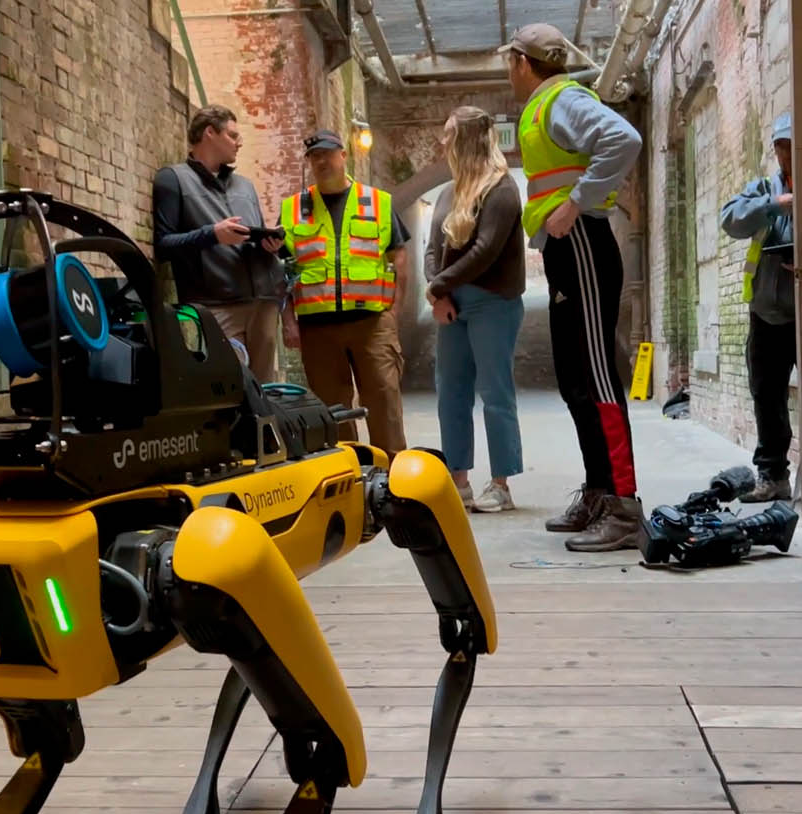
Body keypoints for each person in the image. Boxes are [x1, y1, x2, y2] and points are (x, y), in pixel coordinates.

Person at [501, 23, 645, 553]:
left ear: (522, 62)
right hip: (566, 248)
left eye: (509, 61)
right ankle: (600, 491)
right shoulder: (544, 106)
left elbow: (624, 139)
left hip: (582, 240)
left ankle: (624, 506)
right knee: (574, 380)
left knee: (598, 376)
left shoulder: (562, 99)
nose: (508, 70)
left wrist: (577, 202)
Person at [278, 129, 410, 459]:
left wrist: (394, 312)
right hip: (317, 329)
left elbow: (399, 258)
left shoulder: (377, 202)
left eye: (327, 154)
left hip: (372, 323)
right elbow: (281, 270)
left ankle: (392, 475)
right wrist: (288, 321)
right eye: (314, 156)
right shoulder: (293, 209)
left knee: (384, 403)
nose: (321, 161)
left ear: (343, 156)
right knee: (331, 412)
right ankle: (348, 476)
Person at [424, 106, 527, 513]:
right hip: (451, 302)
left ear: (467, 139)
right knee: (450, 391)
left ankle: (501, 485)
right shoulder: (448, 193)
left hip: (492, 302)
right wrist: (438, 294)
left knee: (495, 393)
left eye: (449, 133)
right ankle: (459, 482)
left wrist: (438, 287)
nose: (443, 140)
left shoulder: (501, 189)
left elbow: (485, 251)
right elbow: (432, 250)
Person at [152, 105, 286, 383]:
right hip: (215, 306)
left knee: (263, 391)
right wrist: (212, 234)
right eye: (232, 135)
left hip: (263, 303)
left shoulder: (245, 186)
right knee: (226, 388)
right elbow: (163, 246)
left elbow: (251, 238)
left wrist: (269, 244)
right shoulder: (173, 179)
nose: (239, 142)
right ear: (210, 133)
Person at [720, 112, 795, 502]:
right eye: (781, 147)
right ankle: (773, 476)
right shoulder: (764, 189)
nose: (787, 154)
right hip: (767, 311)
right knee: (767, 394)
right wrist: (775, 205)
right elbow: (730, 219)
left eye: (792, 146)